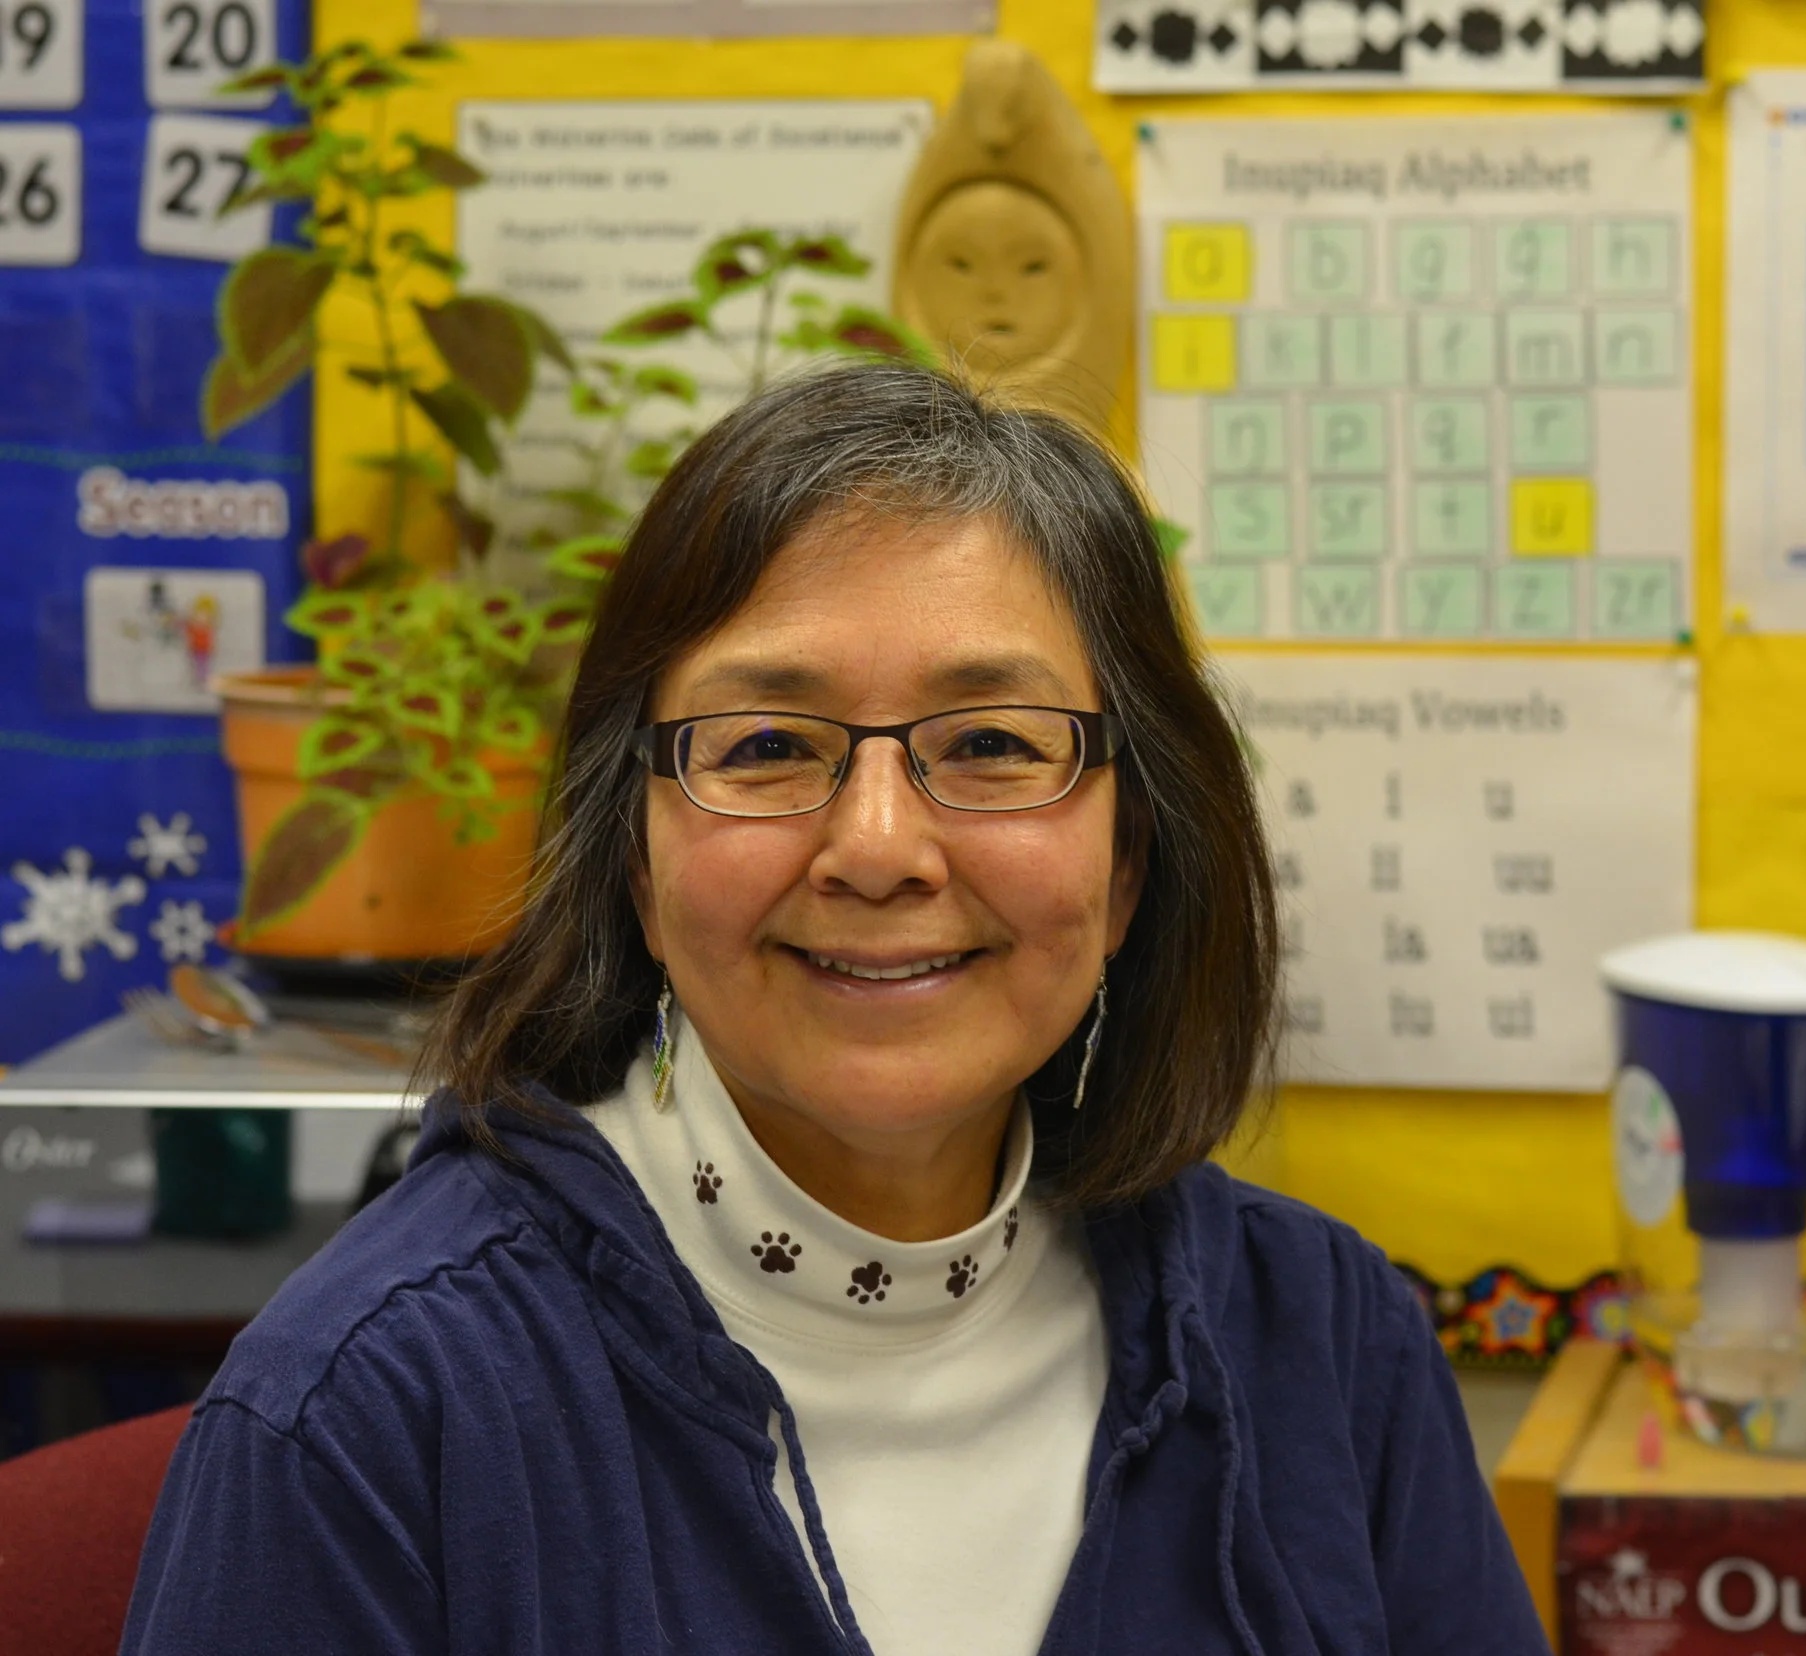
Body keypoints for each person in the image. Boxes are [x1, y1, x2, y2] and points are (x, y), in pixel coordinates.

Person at [120, 363, 1545, 1656]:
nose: (876, 848)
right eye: (766, 746)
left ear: (1129, 867)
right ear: (634, 854)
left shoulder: (1324, 1344)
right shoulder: (373, 1414)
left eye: (992, 743)